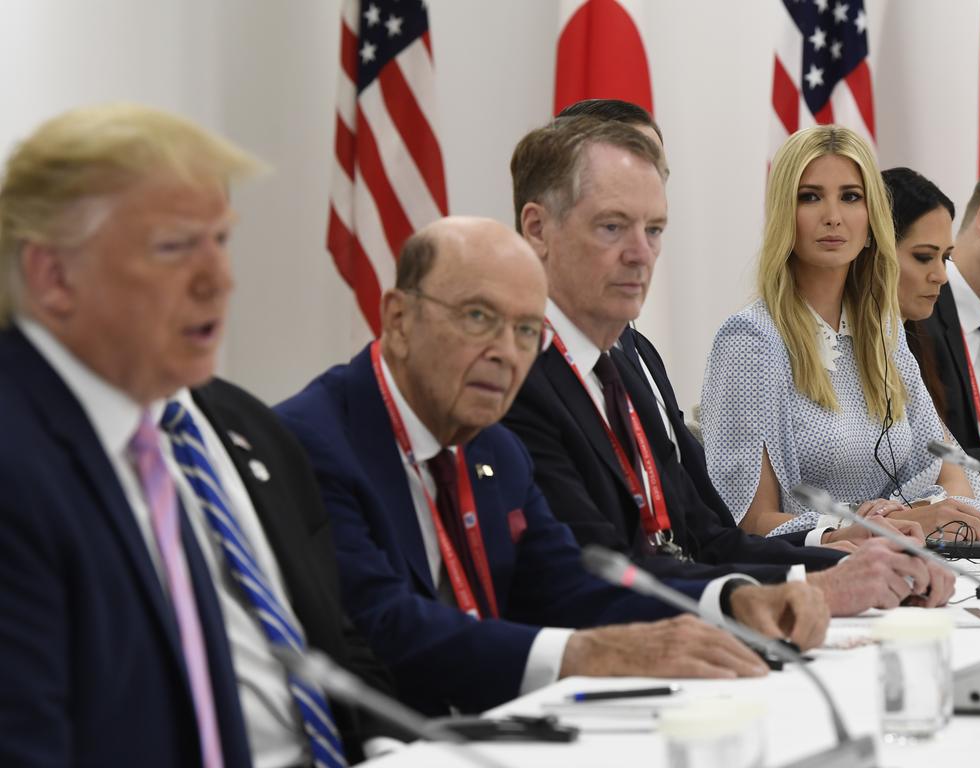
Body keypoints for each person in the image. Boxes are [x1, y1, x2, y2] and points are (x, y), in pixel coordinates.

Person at [275, 215, 830, 717]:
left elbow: (570, 584)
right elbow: (381, 624)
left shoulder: (496, 449)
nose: (506, 353)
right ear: (397, 318)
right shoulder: (310, 443)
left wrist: (731, 599)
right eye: (477, 317)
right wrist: (582, 652)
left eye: (524, 331)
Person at [0, 103, 395, 766]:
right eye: (176, 247)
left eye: (221, 240)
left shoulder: (148, 440)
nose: (221, 280)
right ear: (54, 276)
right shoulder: (16, 466)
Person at [502, 109, 952, 618]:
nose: (641, 254)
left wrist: (835, 568)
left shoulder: (626, 367)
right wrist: (809, 582)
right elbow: (601, 570)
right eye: (612, 227)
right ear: (537, 229)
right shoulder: (515, 376)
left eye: (654, 229)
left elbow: (706, 538)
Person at [700, 125, 980, 547]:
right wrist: (860, 524)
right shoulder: (750, 340)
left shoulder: (883, 333)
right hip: (814, 575)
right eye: (810, 196)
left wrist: (908, 517)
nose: (833, 216)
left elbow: (954, 473)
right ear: (785, 213)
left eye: (851, 197)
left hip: (901, 558)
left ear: (872, 220)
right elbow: (747, 520)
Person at [885, 166, 980, 505]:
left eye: (943, 257)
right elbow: (926, 462)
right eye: (925, 257)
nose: (939, 275)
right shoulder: (912, 316)